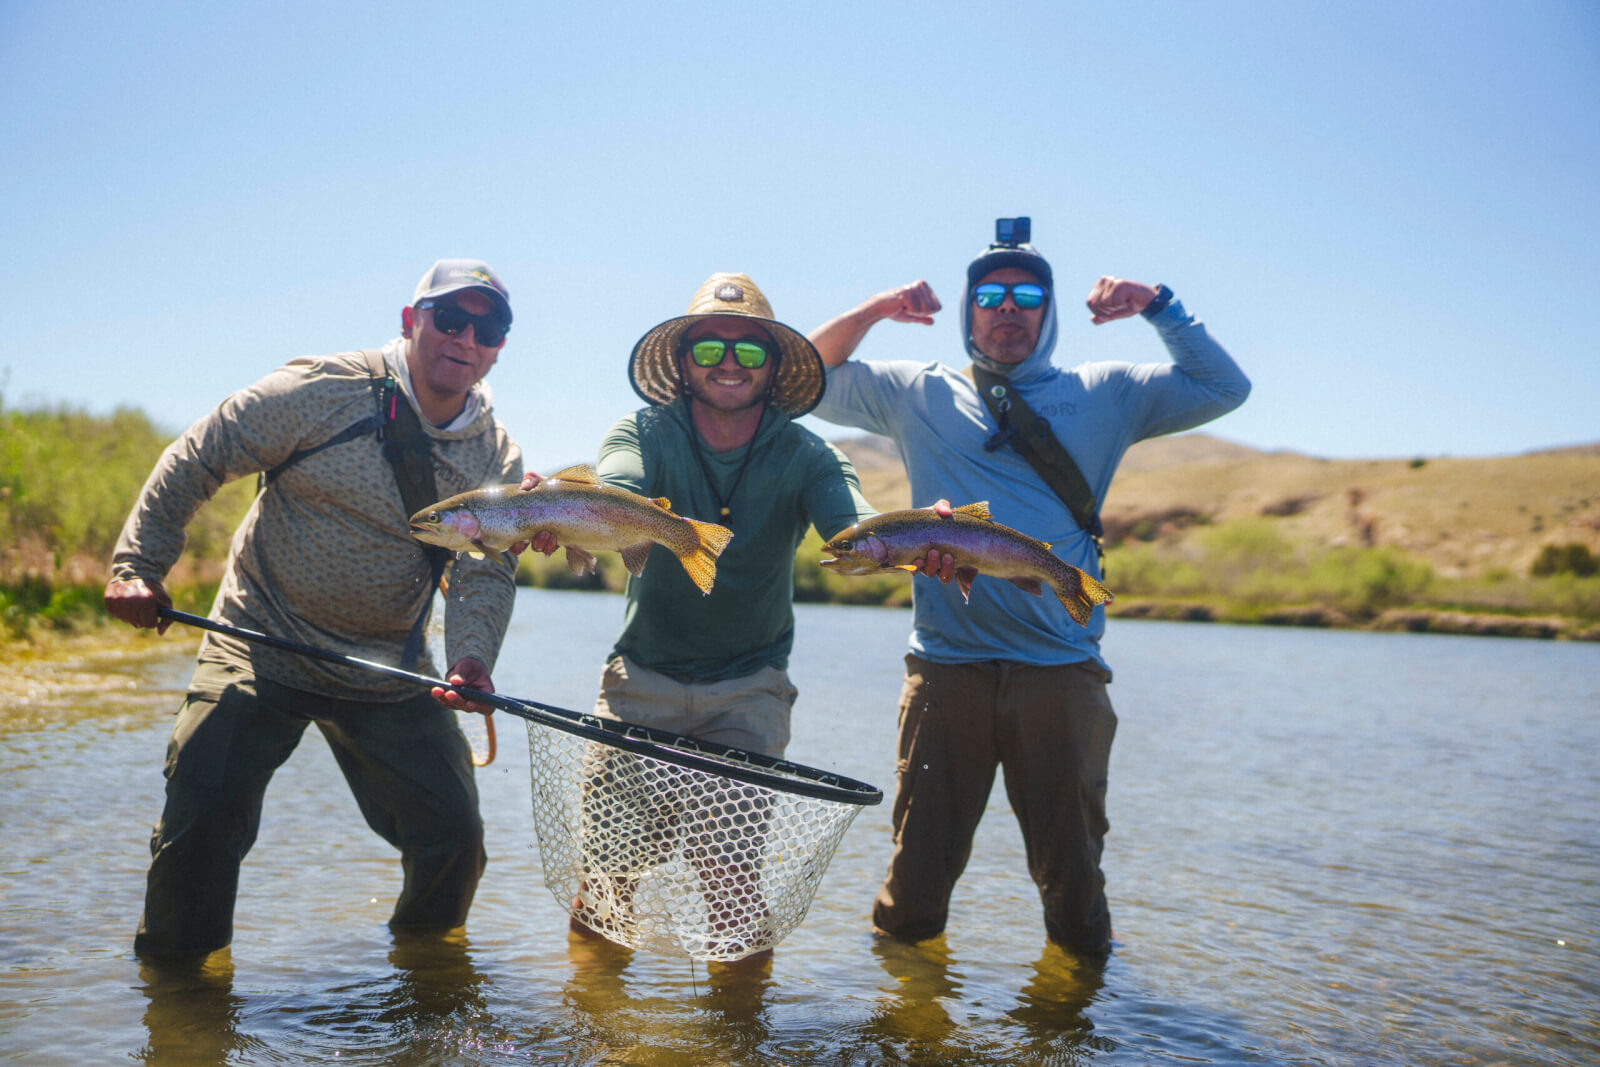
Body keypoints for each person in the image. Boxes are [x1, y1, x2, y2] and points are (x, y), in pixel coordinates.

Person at [806, 221, 1251, 955]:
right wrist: (875, 310)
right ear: (967, 309)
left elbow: (1225, 386)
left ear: (1047, 314)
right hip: (946, 670)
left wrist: (1158, 304)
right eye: (989, 295)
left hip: (1062, 675)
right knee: (914, 891)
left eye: (1025, 295)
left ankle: (1070, 1021)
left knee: (1073, 890)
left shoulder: (1105, 391)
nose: (1006, 308)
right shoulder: (915, 392)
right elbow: (805, 378)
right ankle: (910, 1025)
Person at [105, 258, 525, 957]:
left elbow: (487, 570)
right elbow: (201, 453)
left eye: (489, 327)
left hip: (389, 667)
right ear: (409, 322)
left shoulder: (496, 458)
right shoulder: (322, 389)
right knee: (202, 825)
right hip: (257, 641)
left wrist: (471, 659)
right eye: (449, 318)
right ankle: (180, 1001)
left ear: (501, 345)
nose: (466, 338)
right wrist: (137, 566)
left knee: (454, 838)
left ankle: (423, 984)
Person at [519, 272, 875, 955]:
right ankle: (594, 1041)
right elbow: (618, 484)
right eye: (710, 349)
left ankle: (740, 1045)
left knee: (731, 887)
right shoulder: (643, 430)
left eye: (749, 351)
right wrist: (563, 511)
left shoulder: (808, 453)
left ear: (774, 368)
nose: (730, 365)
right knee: (605, 888)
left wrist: (922, 535)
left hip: (749, 690)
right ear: (684, 364)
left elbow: (852, 525)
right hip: (640, 685)